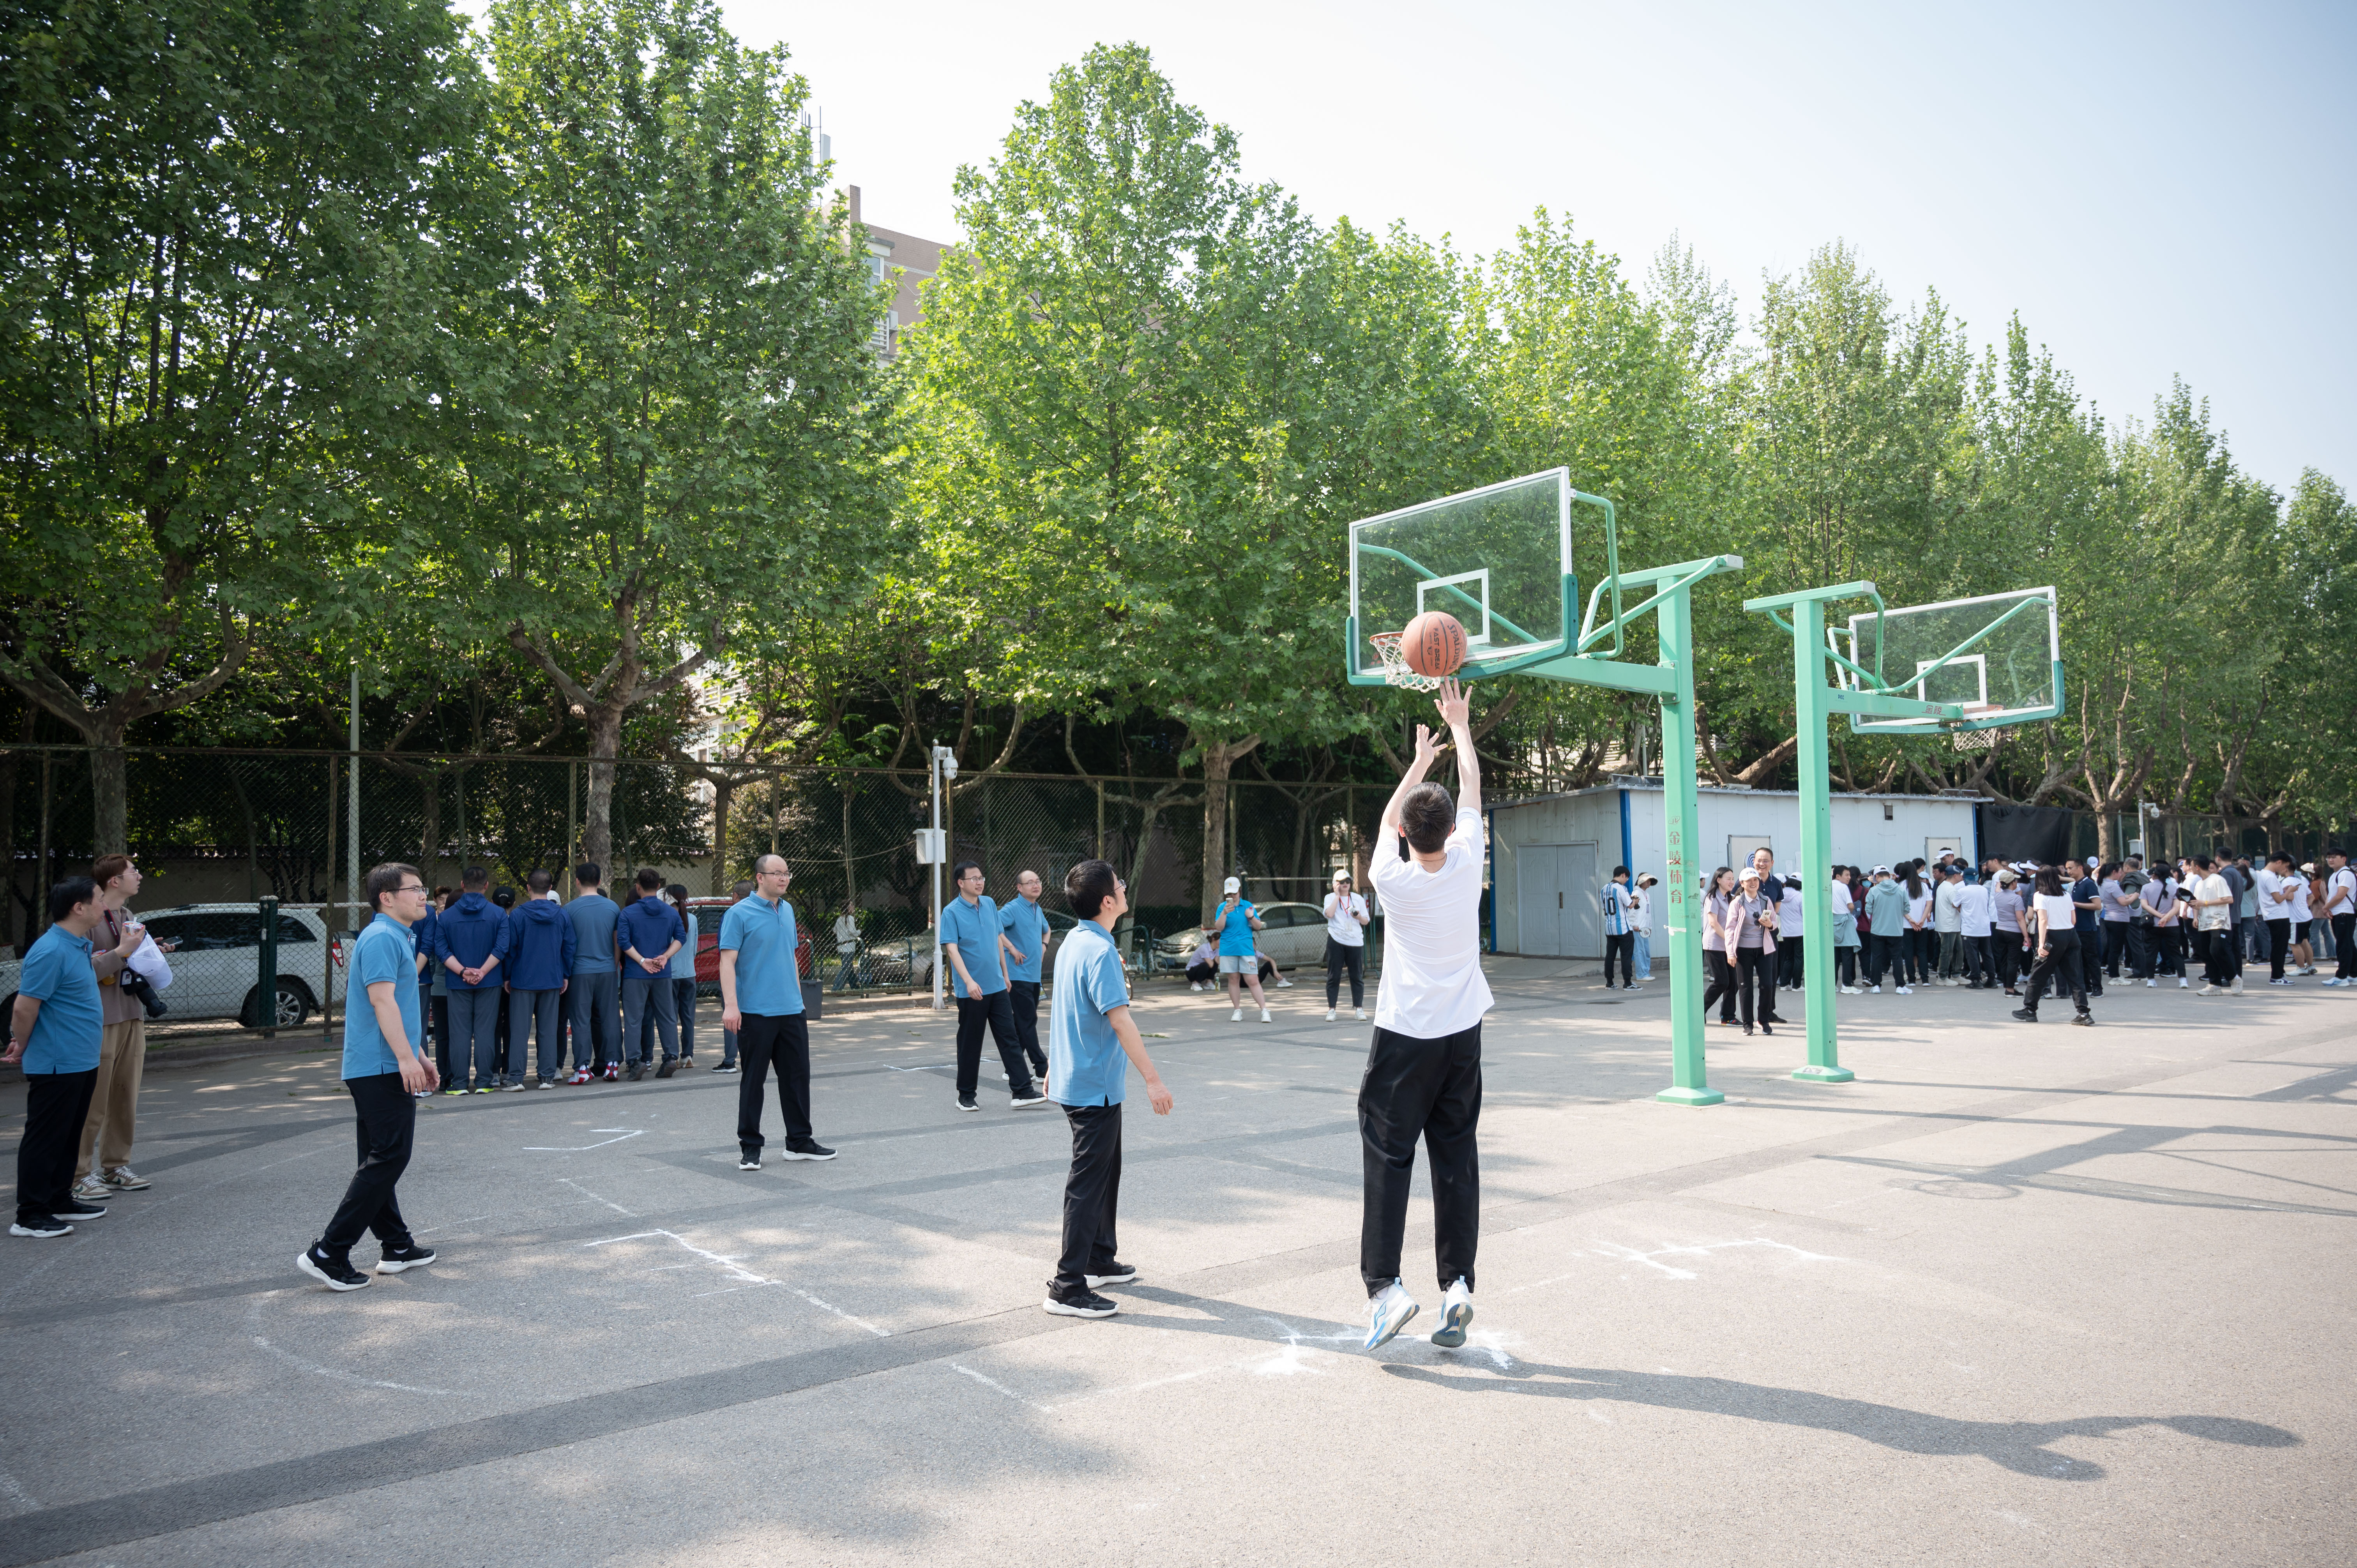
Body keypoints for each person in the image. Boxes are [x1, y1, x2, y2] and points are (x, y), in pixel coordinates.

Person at [1360, 678, 1490, 1353]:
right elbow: (1471, 790)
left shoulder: (1391, 877)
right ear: (1450, 831)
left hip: (1405, 1035)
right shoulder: (1467, 861)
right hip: (1462, 1033)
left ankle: (1386, 1288)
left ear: (1409, 835)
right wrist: (1459, 727)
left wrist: (1417, 761)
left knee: (1388, 1155)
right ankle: (1458, 1284)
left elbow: (1390, 820)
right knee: (1455, 1153)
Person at [1041, 859, 1175, 1320]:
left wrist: (1054, 1065)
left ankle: (1099, 1258)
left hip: (1082, 1080)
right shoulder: (1099, 952)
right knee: (1087, 1183)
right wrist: (1153, 1080)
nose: (1124, 888)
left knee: (1106, 1172)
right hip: (1092, 1086)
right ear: (1107, 901)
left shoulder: (1075, 942)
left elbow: (1067, 1010)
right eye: (1119, 884)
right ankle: (1067, 1286)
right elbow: (1121, 1021)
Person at [296, 863, 441, 1289]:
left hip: (383, 1062)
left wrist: (419, 1056)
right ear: (387, 898)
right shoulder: (381, 938)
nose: (424, 896)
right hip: (380, 1066)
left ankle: (396, 1246)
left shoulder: (396, 936)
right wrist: (405, 1060)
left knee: (379, 1158)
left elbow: (398, 1007)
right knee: (389, 1157)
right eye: (415, 889)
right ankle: (328, 1252)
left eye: (423, 888)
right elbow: (382, 1003)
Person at [8, 878, 119, 1238]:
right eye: (99, 899)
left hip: (81, 1059)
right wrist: (21, 1043)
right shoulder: (51, 950)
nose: (105, 906)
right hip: (57, 1061)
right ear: (79, 908)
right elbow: (24, 1008)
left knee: (69, 1134)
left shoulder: (77, 945)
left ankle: (59, 1199)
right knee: (46, 1137)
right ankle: (30, 1215)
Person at [720, 854, 833, 1167]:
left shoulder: (787, 910)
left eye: (787, 873)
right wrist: (731, 1006)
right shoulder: (738, 914)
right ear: (760, 877)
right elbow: (727, 962)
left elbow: (790, 957)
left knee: (797, 1078)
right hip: (755, 1012)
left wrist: (799, 999)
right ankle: (750, 1146)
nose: (784, 878)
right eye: (777, 873)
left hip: (792, 1011)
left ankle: (799, 1142)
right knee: (753, 1081)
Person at [72, 855, 160, 1204]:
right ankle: (78, 1174)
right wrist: (122, 953)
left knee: (126, 1098)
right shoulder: (87, 919)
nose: (139, 876)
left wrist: (150, 952)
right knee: (93, 1101)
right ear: (114, 881)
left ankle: (115, 1166)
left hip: (131, 1014)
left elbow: (129, 961)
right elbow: (80, 972)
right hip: (99, 1019)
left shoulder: (128, 917)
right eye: (133, 871)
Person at [940, 861, 1044, 1111]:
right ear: (961, 883)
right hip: (972, 991)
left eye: (981, 878)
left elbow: (998, 939)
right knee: (970, 1043)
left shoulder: (989, 904)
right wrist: (968, 981)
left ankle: (1022, 1091)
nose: (979, 882)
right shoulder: (951, 912)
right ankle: (966, 1096)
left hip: (997, 986)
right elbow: (952, 950)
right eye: (974, 879)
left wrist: (1005, 974)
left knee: (1010, 1038)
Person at [434, 865, 511, 1093]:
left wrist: (462, 971)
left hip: (457, 982)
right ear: (486, 886)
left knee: (459, 1033)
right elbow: (502, 947)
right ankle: (484, 1082)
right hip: (490, 980)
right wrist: (483, 972)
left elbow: (441, 949)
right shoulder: (498, 914)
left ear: (462, 885)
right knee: (486, 1032)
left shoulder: (446, 917)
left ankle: (459, 1083)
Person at [505, 869, 576, 1089]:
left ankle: (516, 1078)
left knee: (519, 1031)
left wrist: (507, 976)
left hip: (523, 979)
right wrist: (565, 974)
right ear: (551, 888)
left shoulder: (518, 915)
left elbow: (511, 949)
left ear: (528, 888)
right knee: (548, 1030)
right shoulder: (562, 915)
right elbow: (569, 947)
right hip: (552, 978)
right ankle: (547, 1076)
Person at [617, 867, 686, 1079]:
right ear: (658, 887)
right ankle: (671, 1057)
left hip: (636, 974)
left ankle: (635, 1062)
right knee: (667, 1017)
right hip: (662, 973)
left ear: (638, 887)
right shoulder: (670, 912)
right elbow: (681, 937)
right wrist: (665, 957)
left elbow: (623, 942)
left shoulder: (628, 913)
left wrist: (642, 961)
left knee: (634, 1019)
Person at [565, 863, 623, 1082]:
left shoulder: (569, 909)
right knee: (610, 1017)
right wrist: (613, 965)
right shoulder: (613, 907)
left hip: (580, 971)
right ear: (599, 882)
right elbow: (618, 941)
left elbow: (567, 945)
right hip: (607, 969)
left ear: (577, 882)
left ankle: (582, 1068)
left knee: (581, 1019)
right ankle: (612, 1064)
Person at [2013, 867, 2091, 1026]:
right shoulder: (2066, 895)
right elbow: (2073, 920)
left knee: (2038, 975)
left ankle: (2030, 1010)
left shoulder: (2039, 896)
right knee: (2075, 977)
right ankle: (2084, 1013)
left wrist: (2041, 944)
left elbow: (2043, 920)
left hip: (2052, 937)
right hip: (2071, 936)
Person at [999, 869, 1054, 1085]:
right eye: (1030, 882)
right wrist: (1011, 948)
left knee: (1022, 1023)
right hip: (1017, 975)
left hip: (1034, 976)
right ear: (1019, 888)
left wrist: (1044, 946)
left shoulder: (1036, 908)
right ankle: (1041, 1067)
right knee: (1028, 1021)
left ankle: (1011, 1068)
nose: (1036, 885)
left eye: (1038, 881)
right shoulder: (1012, 908)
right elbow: (995, 928)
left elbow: (1047, 930)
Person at [1205, 876, 1272, 1022]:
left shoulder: (1248, 906)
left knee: (1253, 980)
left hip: (1246, 949)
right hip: (1228, 949)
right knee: (1233, 979)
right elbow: (1219, 928)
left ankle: (1264, 1010)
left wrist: (1251, 917)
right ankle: (1237, 1010)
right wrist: (1224, 914)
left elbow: (1258, 927)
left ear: (1239, 891)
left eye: (1234, 893)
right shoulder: (1222, 908)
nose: (1232, 896)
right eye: (1229, 894)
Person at [1724, 865, 1778, 1034]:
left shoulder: (1766, 900)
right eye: (1749, 881)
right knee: (1745, 987)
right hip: (1743, 950)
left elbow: (1775, 922)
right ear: (1742, 883)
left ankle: (1764, 1020)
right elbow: (1730, 929)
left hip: (1764, 950)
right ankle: (1748, 1024)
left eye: (1756, 880)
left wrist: (1770, 924)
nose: (1753, 883)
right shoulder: (1736, 903)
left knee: (1767, 985)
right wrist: (1730, 953)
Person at [2186, 854, 2240, 996]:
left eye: (2192, 866)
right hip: (2204, 923)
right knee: (2207, 954)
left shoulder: (2217, 879)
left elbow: (2229, 899)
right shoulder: (2199, 884)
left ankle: (2234, 978)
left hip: (2219, 922)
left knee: (2217, 950)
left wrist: (2205, 903)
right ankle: (2214, 985)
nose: (2191, 868)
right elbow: (2197, 903)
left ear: (2197, 867)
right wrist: (2195, 917)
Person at [712, 879, 753, 1073]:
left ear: (735, 895)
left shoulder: (732, 915)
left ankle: (730, 1061)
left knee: (732, 1016)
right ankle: (754, 1056)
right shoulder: (764, 913)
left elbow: (726, 950)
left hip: (736, 975)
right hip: (756, 977)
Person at [1323, 867, 1371, 1021]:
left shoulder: (1357, 899)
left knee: (1356, 976)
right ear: (1335, 884)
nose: (1345, 884)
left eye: (1348, 881)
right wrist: (1337, 896)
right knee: (1334, 976)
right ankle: (1332, 1010)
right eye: (1341, 882)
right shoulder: (1330, 898)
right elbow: (1329, 914)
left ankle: (1359, 1008)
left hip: (1355, 941)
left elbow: (1366, 921)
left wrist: (1358, 917)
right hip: (1336, 940)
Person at [666, 885, 701, 1065]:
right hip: (689, 973)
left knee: (670, 1017)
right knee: (688, 1017)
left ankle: (672, 1055)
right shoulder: (693, 919)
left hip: (671, 974)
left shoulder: (666, 918)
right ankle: (687, 1055)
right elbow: (694, 948)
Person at [1862, 866, 1909, 994]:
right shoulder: (1901, 890)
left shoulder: (1873, 891)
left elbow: (1868, 910)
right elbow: (1907, 909)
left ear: (1876, 877)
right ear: (1889, 876)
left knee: (1877, 958)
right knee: (1897, 958)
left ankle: (1876, 986)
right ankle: (1900, 986)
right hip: (1896, 930)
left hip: (1877, 930)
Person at [2255, 851, 2300, 985]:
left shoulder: (2264, 874)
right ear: (2279, 862)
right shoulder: (2269, 877)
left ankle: (2279, 974)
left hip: (2273, 915)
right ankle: (2277, 976)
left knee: (2279, 947)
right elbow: (2279, 899)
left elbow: (2276, 895)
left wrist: (2284, 890)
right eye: (2285, 866)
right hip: (2277, 916)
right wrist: (2289, 891)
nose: (2285, 870)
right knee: (2279, 948)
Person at [1701, 867, 1738, 1024]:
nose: (1732, 882)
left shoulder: (1730, 898)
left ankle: (1728, 1016)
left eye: (1733, 879)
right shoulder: (1712, 898)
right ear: (1719, 880)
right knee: (1722, 981)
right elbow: (1714, 923)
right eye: (1728, 879)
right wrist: (1729, 940)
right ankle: (1699, 1011)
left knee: (1734, 983)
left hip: (1727, 946)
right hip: (1714, 945)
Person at [2143, 862, 2188, 987]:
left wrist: (2159, 916)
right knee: (2176, 952)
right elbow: (2177, 907)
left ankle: (2151, 980)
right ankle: (2183, 980)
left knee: (2151, 952)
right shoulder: (2174, 888)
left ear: (2154, 875)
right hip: (2172, 925)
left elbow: (2145, 905)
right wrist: (2167, 917)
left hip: (2153, 925)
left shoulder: (2146, 888)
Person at [1989, 868, 2027, 994]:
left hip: (2000, 929)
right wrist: (2026, 936)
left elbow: (1997, 888)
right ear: (2012, 883)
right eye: (2015, 881)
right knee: (2013, 961)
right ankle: (2010, 989)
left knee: (2004, 959)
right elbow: (2020, 919)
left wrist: (1999, 884)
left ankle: (2007, 985)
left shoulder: (1998, 896)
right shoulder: (2016, 899)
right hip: (2014, 932)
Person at [2322, 847, 2355, 987]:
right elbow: (2332, 895)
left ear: (2344, 859)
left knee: (2343, 946)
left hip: (2345, 913)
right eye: (2329, 857)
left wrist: (2326, 907)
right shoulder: (2335, 875)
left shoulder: (2345, 874)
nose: (2331, 860)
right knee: (2348, 944)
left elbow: (2341, 895)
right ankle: (2354, 974)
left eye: (2334, 857)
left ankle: (2341, 977)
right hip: (2339, 913)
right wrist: (2328, 908)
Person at [2098, 862, 2135, 980]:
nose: (2121, 875)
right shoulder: (2112, 885)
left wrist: (2127, 896)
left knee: (2112, 947)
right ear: (2114, 872)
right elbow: (2123, 902)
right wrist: (2135, 897)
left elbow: (2118, 898)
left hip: (2109, 918)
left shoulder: (2102, 883)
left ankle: (2112, 972)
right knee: (2116, 949)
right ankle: (2115, 975)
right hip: (2118, 920)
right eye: (2120, 872)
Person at [1601, 866, 1636, 990]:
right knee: (1626, 956)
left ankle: (1609, 982)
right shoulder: (1621, 888)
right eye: (1627, 878)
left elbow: (1605, 907)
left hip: (1610, 928)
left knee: (1610, 956)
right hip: (1623, 928)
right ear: (1623, 875)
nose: (1626, 881)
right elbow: (1630, 905)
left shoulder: (1604, 889)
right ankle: (1628, 983)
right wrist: (1635, 901)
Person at [1829, 866, 1862, 994]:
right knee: (1848, 954)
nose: (1849, 878)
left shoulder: (1828, 886)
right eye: (1847, 875)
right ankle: (1847, 985)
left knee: (1835, 956)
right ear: (1838, 876)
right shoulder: (1843, 887)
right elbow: (1851, 906)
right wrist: (1852, 910)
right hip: (1844, 921)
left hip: (1832, 922)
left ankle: (1832, 985)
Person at [1901, 863, 1933, 988]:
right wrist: (1922, 920)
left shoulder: (1902, 886)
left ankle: (1911, 980)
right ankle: (1925, 979)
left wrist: (1911, 921)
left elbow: (1900, 905)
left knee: (1908, 953)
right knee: (1922, 952)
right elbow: (1929, 904)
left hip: (1907, 925)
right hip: (1922, 925)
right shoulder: (1924, 886)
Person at [1933, 864, 1966, 985]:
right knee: (1947, 952)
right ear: (1956, 876)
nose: (1962, 877)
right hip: (1949, 925)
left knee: (1958, 950)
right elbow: (1957, 906)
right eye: (1960, 875)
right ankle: (1942, 978)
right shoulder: (1951, 889)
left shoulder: (1944, 886)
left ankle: (1956, 975)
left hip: (1951, 924)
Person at [1774, 874, 1804, 991]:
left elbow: (1777, 912)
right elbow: (1804, 913)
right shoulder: (1800, 896)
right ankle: (1796, 985)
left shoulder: (1780, 896)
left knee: (1788, 958)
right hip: (1799, 931)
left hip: (1786, 932)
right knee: (1799, 958)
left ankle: (1784, 984)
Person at [1629, 874, 1657, 982]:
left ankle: (1646, 972)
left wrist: (1649, 926)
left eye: (1650, 881)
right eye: (1647, 881)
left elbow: (1648, 912)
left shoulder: (1646, 894)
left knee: (1646, 951)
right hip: (1638, 927)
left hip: (1645, 928)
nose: (1649, 883)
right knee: (1640, 951)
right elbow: (1632, 910)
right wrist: (1635, 924)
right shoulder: (1636, 893)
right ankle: (1641, 974)